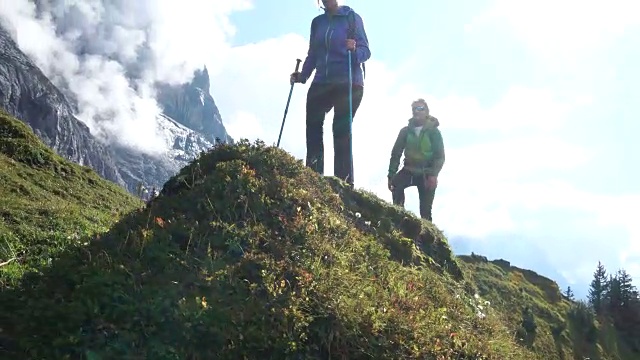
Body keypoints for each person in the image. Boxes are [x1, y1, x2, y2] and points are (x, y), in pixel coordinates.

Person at [290, 0, 371, 187]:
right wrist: (302, 76)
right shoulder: (317, 22)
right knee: (313, 123)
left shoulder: (352, 18)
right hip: (322, 81)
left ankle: (343, 182)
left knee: (341, 130)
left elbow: (366, 51)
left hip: (349, 82)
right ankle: (313, 175)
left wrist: (354, 49)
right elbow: (313, 54)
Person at [387, 98, 445, 222]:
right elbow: (396, 153)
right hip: (409, 169)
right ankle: (399, 219)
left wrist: (433, 175)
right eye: (414, 109)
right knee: (396, 185)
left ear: (427, 111)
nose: (417, 112)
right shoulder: (405, 131)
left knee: (425, 211)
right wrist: (391, 174)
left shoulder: (434, 132)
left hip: (427, 173)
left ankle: (427, 238)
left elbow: (439, 156)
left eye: (420, 109)